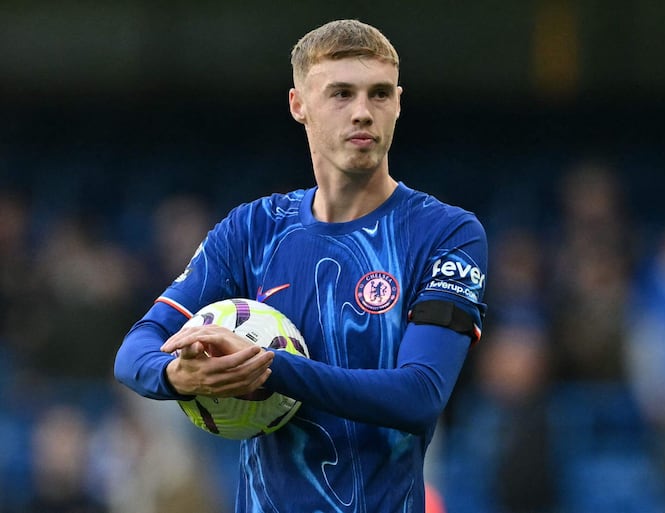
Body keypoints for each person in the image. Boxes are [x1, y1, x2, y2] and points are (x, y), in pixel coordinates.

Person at [114, 19, 488, 513]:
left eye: (378, 94)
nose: (362, 113)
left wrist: (264, 366)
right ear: (299, 105)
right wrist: (182, 377)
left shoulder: (446, 233)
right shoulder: (253, 229)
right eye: (340, 94)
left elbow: (419, 394)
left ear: (398, 102)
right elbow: (134, 352)